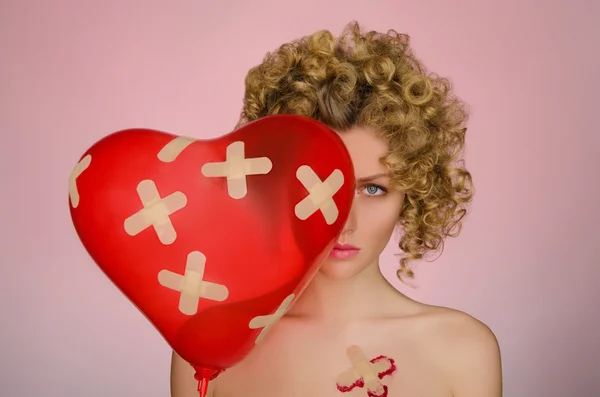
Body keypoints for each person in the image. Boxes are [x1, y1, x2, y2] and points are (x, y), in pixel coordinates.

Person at [171, 21, 502, 397]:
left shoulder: (462, 351)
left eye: (374, 189)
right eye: (317, 186)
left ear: (412, 194)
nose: (344, 221)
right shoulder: (210, 350)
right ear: (276, 185)